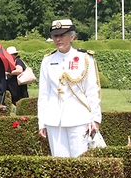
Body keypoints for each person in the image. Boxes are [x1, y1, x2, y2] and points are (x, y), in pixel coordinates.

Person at [37, 19, 101, 157]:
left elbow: (92, 91)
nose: (58, 39)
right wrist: (42, 122)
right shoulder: (47, 60)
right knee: (60, 164)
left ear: (72, 37)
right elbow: (43, 95)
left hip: (79, 118)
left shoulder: (84, 58)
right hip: (54, 120)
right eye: (55, 36)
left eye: (62, 35)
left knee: (80, 162)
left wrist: (95, 119)